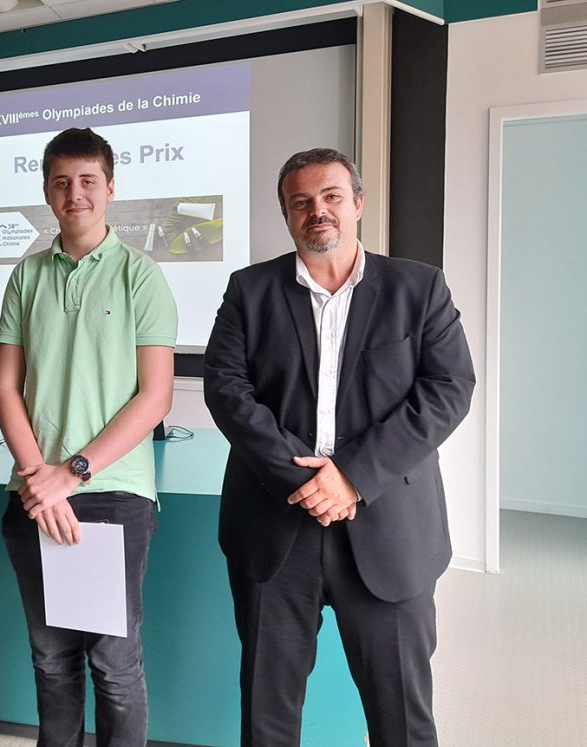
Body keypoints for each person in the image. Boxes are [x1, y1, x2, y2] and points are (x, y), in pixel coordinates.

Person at [203, 148, 475, 747]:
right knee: (267, 715)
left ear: (357, 204)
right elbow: (226, 389)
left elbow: (449, 389)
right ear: (286, 214)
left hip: (388, 530)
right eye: (300, 202)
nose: (317, 211)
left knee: (402, 718)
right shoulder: (249, 290)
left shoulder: (418, 287)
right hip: (274, 527)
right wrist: (305, 480)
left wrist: (350, 477)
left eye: (330, 196)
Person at [0, 127, 177, 746]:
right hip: (33, 494)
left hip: (113, 493)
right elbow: (6, 388)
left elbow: (155, 397)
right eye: (62, 182)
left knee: (113, 665)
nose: (76, 194)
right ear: (47, 192)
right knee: (51, 661)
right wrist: (38, 481)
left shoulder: (140, 275)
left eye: (88, 181)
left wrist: (68, 474)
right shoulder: (25, 276)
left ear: (111, 189)